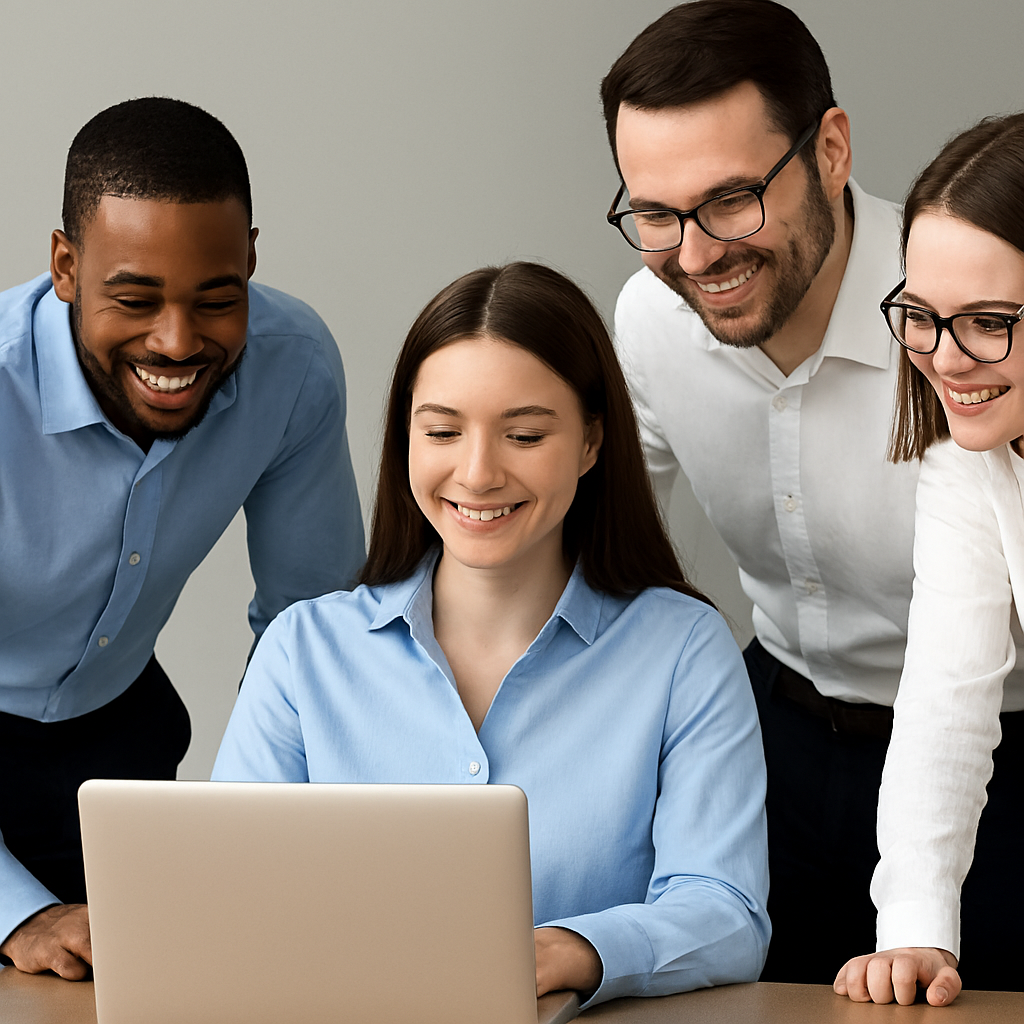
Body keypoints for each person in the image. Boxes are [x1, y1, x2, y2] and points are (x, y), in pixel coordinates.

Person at [600, 0, 1024, 984]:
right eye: (657, 215)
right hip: (783, 733)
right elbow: (944, 688)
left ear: (830, 149)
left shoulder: (940, 345)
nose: (695, 255)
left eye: (732, 198)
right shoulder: (967, 440)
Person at [212, 261, 770, 1006]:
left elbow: (725, 913)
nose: (477, 474)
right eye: (442, 430)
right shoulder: (301, 650)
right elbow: (226, 897)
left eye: (525, 434)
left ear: (592, 442)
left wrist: (576, 951)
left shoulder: (683, 650)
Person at [0, 98, 364, 979]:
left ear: (249, 262)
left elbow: (311, 629)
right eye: (134, 297)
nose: (176, 340)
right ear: (64, 265)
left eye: (215, 298)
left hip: (116, 741)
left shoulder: (294, 365)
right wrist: (18, 915)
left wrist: (266, 834)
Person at [834, 113, 1024, 1006]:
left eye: (988, 322)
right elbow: (946, 698)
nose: (945, 361)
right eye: (920, 316)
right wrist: (914, 927)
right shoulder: (970, 465)